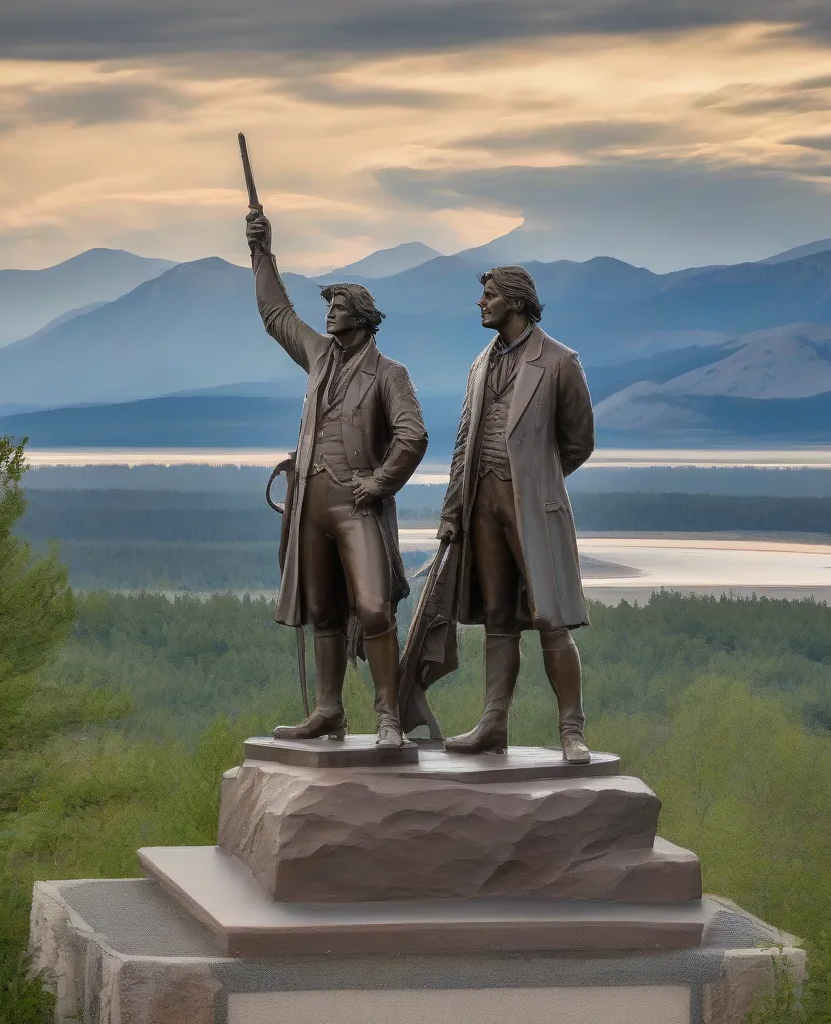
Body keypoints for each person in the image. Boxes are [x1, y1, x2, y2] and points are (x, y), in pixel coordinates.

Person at [246, 211, 428, 748]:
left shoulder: (389, 373)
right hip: (310, 504)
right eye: (327, 305)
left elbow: (412, 436)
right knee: (322, 609)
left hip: (357, 505)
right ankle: (329, 711)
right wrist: (261, 252)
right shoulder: (319, 356)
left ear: (363, 317)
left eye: (339, 305)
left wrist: (379, 483)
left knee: (373, 608)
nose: (328, 313)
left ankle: (389, 716)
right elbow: (276, 313)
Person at [437, 266, 595, 763]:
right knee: (498, 617)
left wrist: (537, 479)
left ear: (516, 301)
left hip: (529, 506)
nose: (480, 303)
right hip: (480, 502)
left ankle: (571, 731)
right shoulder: (479, 364)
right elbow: (464, 440)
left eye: (489, 296)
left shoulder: (560, 362)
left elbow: (579, 441)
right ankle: (493, 724)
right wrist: (452, 509)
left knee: (551, 617)